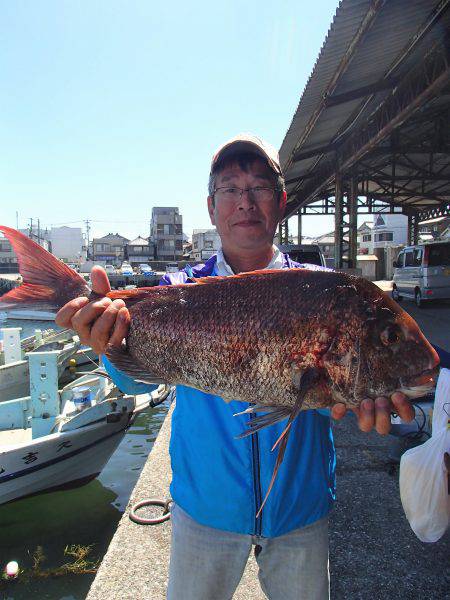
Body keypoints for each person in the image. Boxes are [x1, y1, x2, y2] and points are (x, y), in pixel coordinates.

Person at [56, 134, 414, 600]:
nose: (245, 202)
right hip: (205, 510)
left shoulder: (325, 292)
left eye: (259, 187)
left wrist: (358, 398)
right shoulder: (177, 289)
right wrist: (104, 340)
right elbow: (131, 377)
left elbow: (321, 391)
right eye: (230, 189)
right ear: (211, 208)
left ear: (281, 201)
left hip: (300, 512)